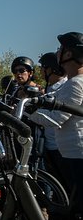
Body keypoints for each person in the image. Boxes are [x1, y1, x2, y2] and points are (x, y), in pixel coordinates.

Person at [29, 33, 83, 220]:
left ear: (69, 53)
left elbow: (56, 119)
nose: (58, 53)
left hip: (76, 153)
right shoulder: (73, 82)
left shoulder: (76, 84)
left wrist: (27, 112)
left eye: (61, 49)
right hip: (71, 152)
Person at [28, 52, 68, 185]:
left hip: (61, 147)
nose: (40, 71)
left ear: (51, 69)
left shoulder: (64, 87)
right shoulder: (49, 88)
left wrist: (28, 111)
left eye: (42, 67)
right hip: (49, 145)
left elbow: (55, 118)